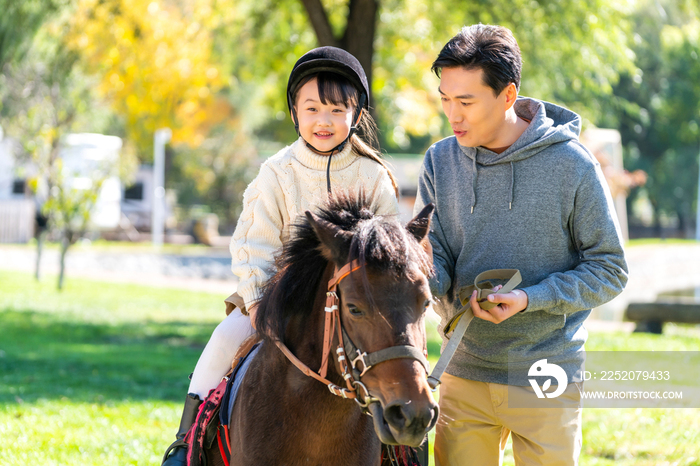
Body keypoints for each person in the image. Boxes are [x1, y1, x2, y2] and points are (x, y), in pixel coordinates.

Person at [161, 46, 400, 465]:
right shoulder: (277, 172)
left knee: (401, 363)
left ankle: (405, 450)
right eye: (311, 109)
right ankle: (186, 443)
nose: (323, 121)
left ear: (357, 113)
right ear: (294, 112)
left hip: (353, 309)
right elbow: (253, 246)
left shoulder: (374, 175)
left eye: (336, 109)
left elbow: (390, 251)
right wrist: (256, 303)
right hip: (278, 304)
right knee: (222, 342)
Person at [413, 24, 628, 465]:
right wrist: (413, 279)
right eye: (445, 99)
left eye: (466, 102)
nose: (453, 115)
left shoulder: (572, 166)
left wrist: (530, 298)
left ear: (508, 95)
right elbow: (435, 258)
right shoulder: (439, 160)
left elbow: (610, 269)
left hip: (544, 371)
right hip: (463, 369)